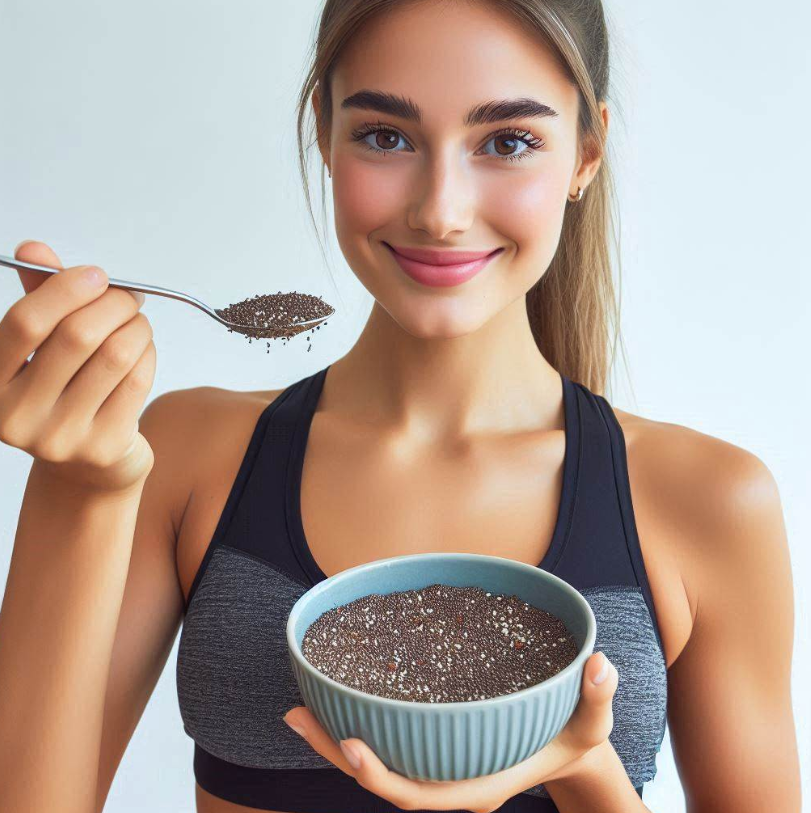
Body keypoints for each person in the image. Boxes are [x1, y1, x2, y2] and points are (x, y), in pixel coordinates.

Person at [0, 0, 800, 812]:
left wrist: (584, 772)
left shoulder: (707, 500)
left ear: (586, 151)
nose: (440, 210)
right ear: (325, 128)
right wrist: (79, 490)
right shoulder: (178, 455)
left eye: (508, 141)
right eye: (386, 135)